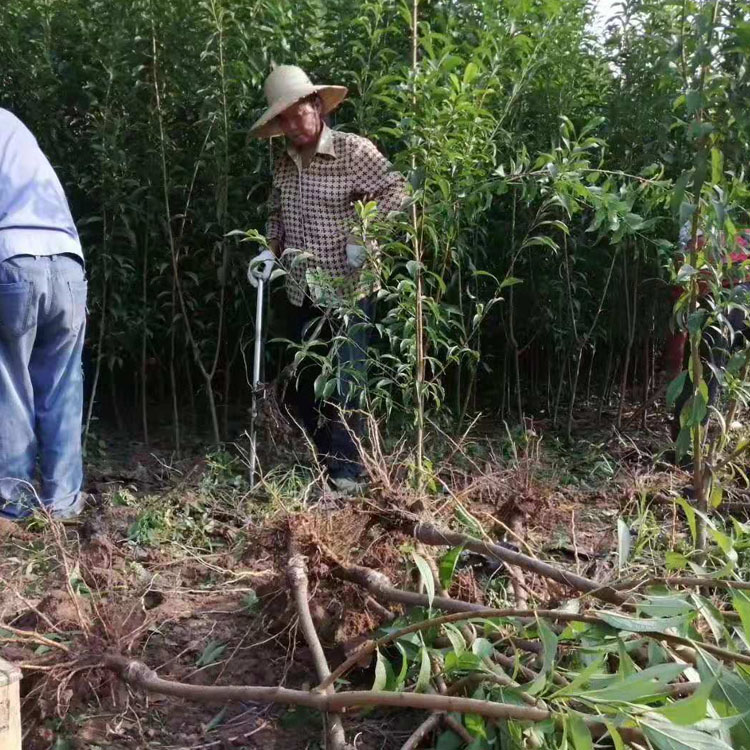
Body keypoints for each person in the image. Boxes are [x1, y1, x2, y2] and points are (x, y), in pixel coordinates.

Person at [247, 65, 406, 491]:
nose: (293, 125)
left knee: (346, 380)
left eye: (298, 113)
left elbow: (397, 190)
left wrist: (365, 233)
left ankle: (348, 474)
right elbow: (277, 214)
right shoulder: (283, 163)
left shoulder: (353, 151)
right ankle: (326, 460)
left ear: (316, 106)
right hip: (302, 288)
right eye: (283, 118)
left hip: (349, 287)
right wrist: (270, 248)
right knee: (303, 384)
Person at [0, 109, 87, 520]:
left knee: (9, 387)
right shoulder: (13, 123)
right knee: (63, 387)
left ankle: (11, 508)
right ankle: (63, 507)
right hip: (68, 264)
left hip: (12, 261)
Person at [665, 221, 750, 441]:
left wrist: (675, 369)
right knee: (703, 364)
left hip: (734, 295)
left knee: (704, 362)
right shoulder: (688, 269)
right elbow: (681, 321)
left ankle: (687, 447)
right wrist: (675, 369)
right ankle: (688, 444)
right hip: (730, 296)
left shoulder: (726, 250)